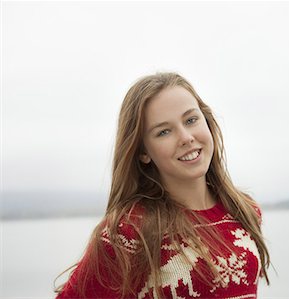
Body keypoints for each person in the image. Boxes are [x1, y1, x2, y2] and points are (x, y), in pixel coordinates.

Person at [54, 72, 270, 298]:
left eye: (191, 120)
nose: (186, 137)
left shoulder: (243, 209)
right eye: (164, 132)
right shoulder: (130, 231)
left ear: (207, 122)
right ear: (143, 152)